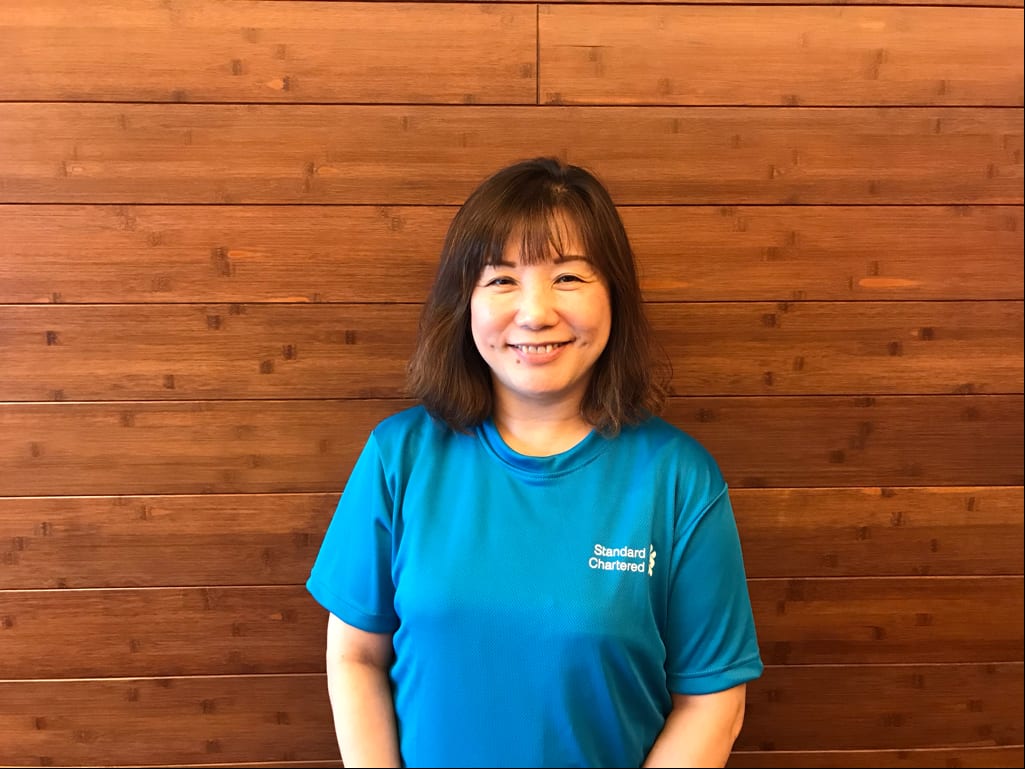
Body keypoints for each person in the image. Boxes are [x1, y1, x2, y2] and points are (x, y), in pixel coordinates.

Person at [305, 157, 764, 768]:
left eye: (569, 277)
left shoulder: (678, 479)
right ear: (463, 303)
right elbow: (355, 657)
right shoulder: (400, 457)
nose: (535, 312)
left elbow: (713, 702)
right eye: (500, 280)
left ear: (615, 294)